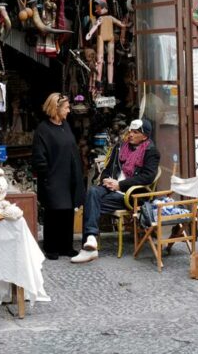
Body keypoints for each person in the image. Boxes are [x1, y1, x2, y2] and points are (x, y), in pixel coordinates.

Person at [71, 118, 160, 264]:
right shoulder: (120, 147)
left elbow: (147, 177)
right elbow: (107, 169)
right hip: (111, 188)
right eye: (130, 130)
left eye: (135, 132)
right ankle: (91, 240)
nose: (130, 134)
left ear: (144, 136)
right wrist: (106, 179)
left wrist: (120, 185)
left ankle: (89, 246)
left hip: (130, 194)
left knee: (91, 203)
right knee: (92, 192)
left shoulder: (151, 151)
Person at [32, 93, 85, 260]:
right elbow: (39, 156)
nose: (69, 110)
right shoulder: (43, 129)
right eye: (66, 107)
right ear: (56, 108)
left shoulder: (65, 125)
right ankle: (51, 247)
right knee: (54, 211)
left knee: (68, 210)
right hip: (53, 176)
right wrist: (46, 174)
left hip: (68, 176)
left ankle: (66, 246)